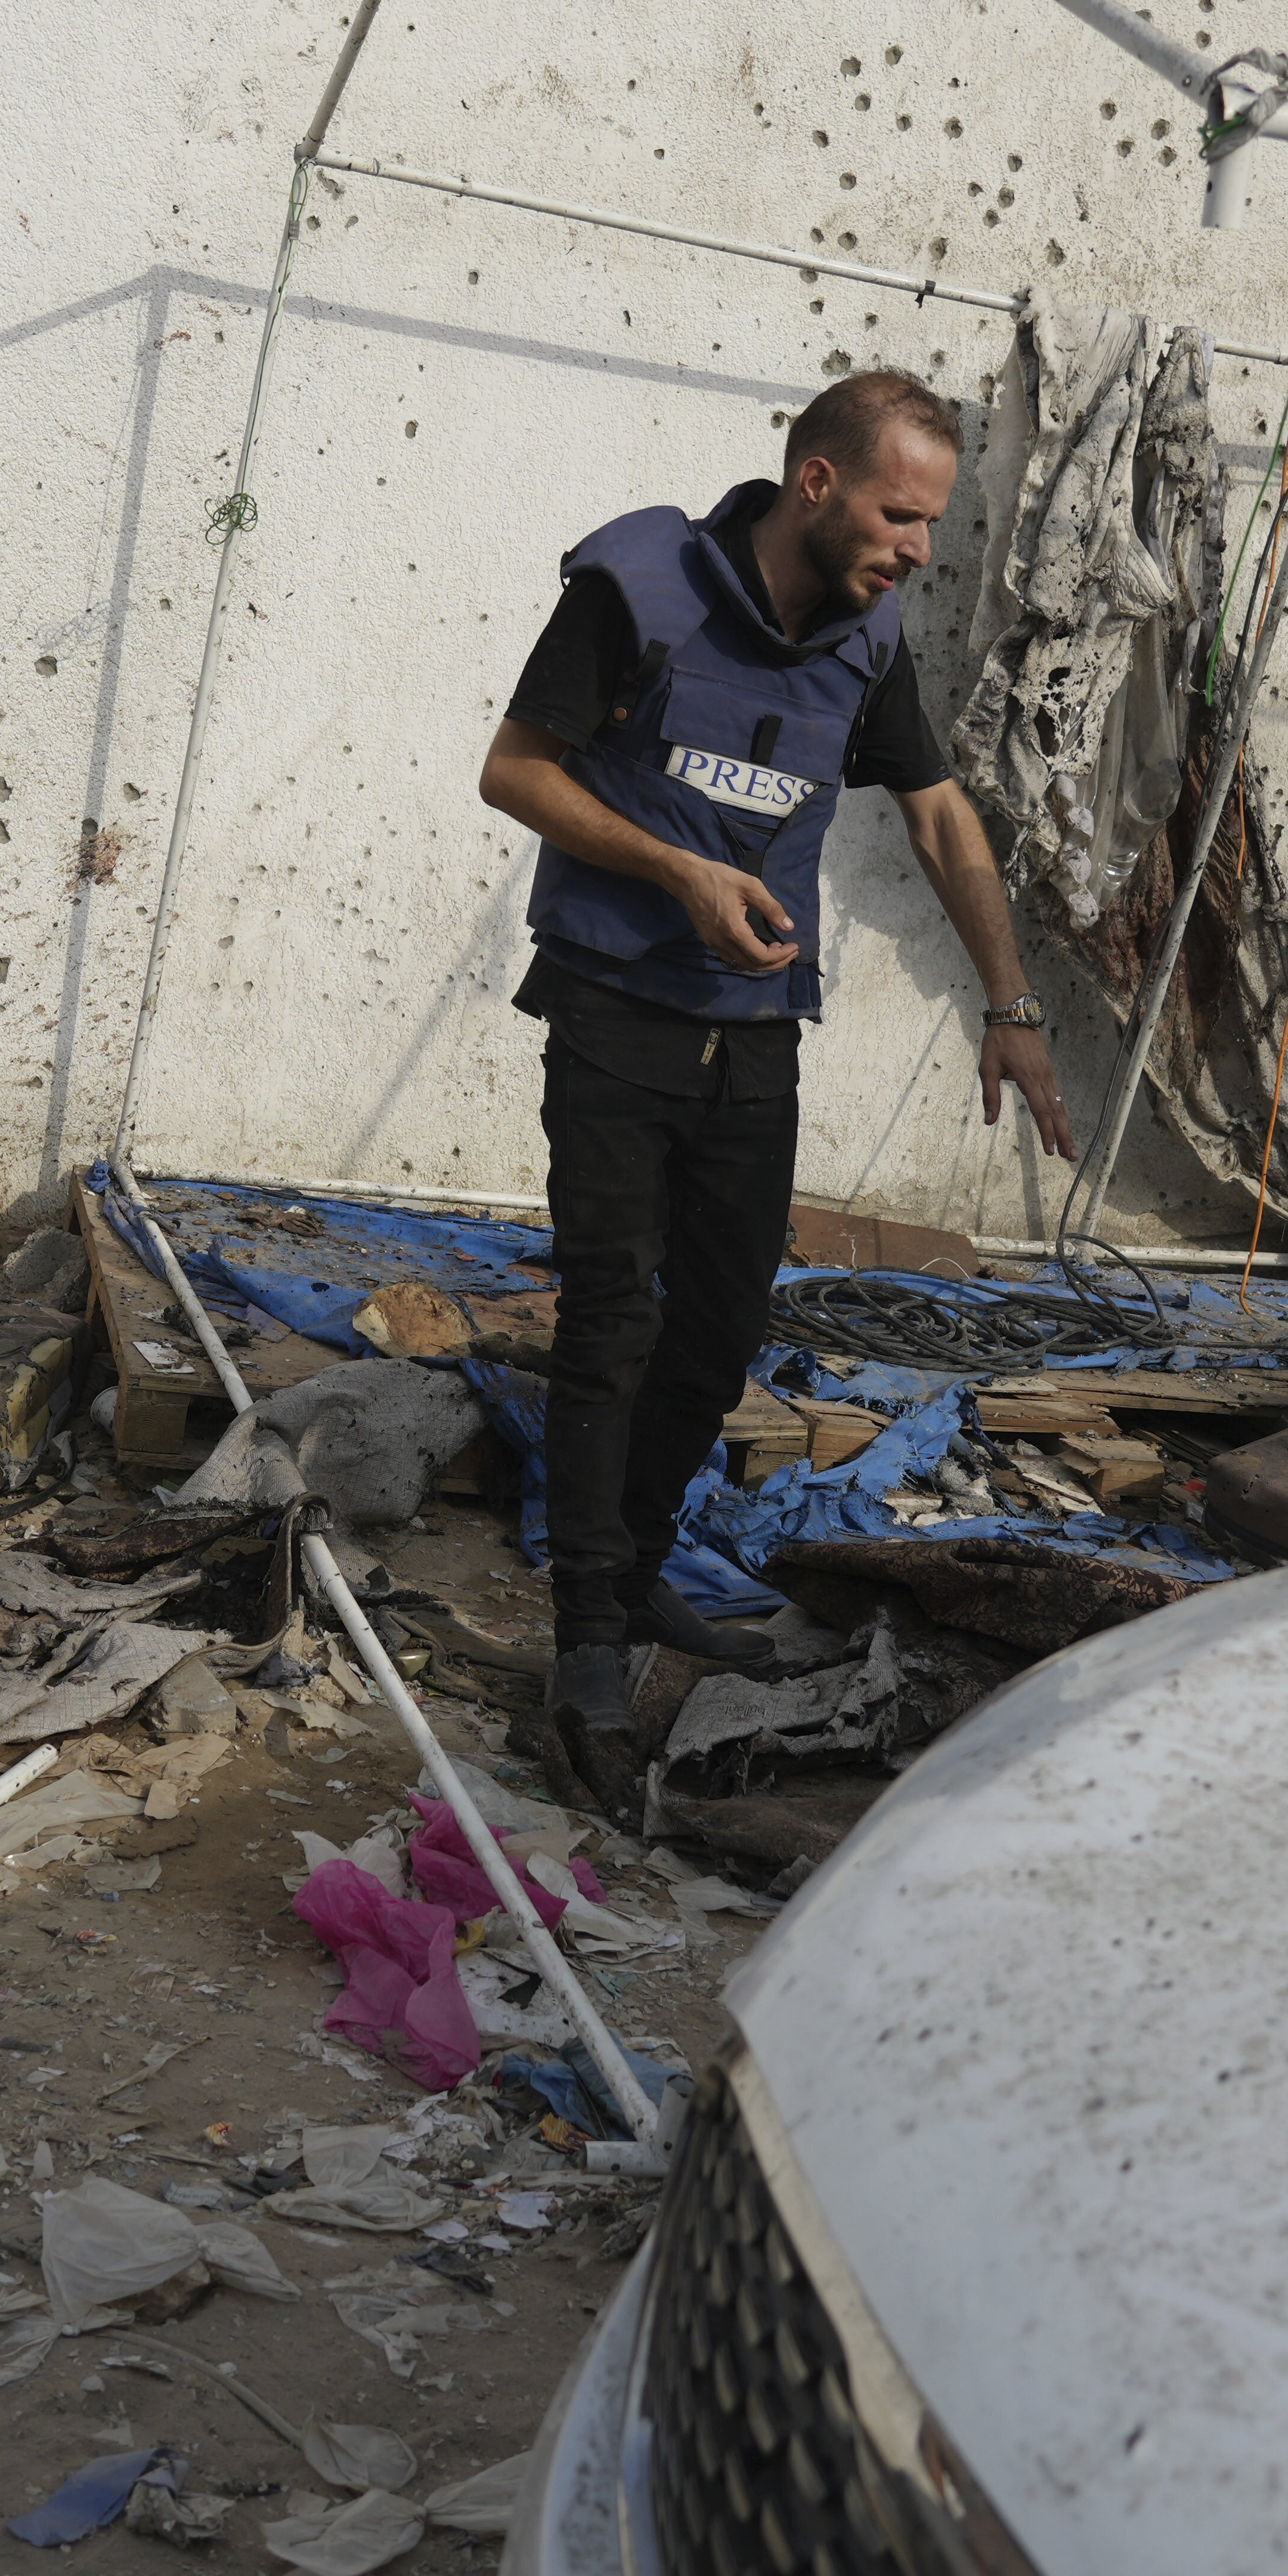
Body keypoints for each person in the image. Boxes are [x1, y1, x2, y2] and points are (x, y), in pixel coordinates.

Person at [477, 369, 1072, 1817]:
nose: (918, 548)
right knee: (614, 1312)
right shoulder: (640, 589)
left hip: (755, 1030)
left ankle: (633, 1552)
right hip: (617, 1005)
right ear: (817, 483)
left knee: (727, 1317)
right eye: (900, 513)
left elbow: (937, 810)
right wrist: (676, 870)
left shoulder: (868, 645)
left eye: (929, 522)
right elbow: (515, 772)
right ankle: (587, 1646)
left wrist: (1011, 1003)